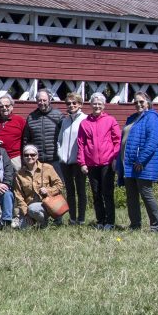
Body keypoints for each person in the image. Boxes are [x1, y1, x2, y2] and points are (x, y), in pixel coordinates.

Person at [77, 93, 122, 230]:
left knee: (107, 193)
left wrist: (115, 158)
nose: (97, 106)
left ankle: (110, 221)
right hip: (91, 164)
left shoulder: (110, 120)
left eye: (99, 104)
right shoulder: (85, 123)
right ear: (91, 105)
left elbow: (117, 141)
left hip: (107, 163)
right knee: (96, 194)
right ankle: (100, 220)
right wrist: (82, 163)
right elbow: (81, 144)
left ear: (104, 105)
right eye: (94, 103)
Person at [122, 93, 158, 232]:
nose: (138, 104)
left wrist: (141, 160)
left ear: (148, 102)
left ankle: (156, 226)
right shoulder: (133, 118)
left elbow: (152, 141)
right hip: (128, 163)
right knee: (131, 196)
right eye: (136, 102)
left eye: (141, 101)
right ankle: (135, 225)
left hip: (143, 164)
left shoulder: (152, 117)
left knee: (146, 194)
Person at [23, 92, 62, 224]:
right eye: (39, 100)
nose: (42, 103)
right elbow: (26, 139)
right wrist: (26, 158)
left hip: (54, 158)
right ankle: (40, 217)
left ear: (49, 100)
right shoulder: (31, 117)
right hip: (37, 160)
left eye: (44, 100)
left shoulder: (58, 115)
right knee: (38, 189)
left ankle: (58, 217)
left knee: (55, 189)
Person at [55, 93, 89, 225]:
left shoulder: (85, 119)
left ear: (80, 104)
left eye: (74, 103)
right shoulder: (65, 121)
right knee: (69, 190)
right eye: (69, 103)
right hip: (65, 161)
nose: (71, 105)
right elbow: (60, 139)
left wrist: (84, 159)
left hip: (79, 161)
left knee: (81, 190)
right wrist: (60, 153)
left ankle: (81, 218)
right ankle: (72, 218)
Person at [13, 144, 65, 229]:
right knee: (23, 229)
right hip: (29, 207)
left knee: (33, 209)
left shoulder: (47, 168)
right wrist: (26, 214)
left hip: (47, 204)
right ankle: (38, 220)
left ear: (37, 156)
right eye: (26, 155)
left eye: (32, 155)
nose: (29, 157)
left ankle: (47, 222)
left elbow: (59, 185)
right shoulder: (19, 174)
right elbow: (19, 196)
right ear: (23, 157)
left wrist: (48, 190)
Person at [0, 95, 27, 164]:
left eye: (7, 106)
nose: (4, 108)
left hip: (15, 157)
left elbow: (27, 138)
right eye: (1, 106)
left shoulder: (19, 120)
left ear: (12, 107)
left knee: (18, 174)